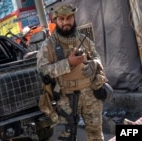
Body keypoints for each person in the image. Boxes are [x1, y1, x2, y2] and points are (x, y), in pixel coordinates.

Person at [37, 4, 108, 141]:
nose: (65, 22)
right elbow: (42, 70)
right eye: (61, 19)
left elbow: (97, 58)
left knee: (96, 135)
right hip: (66, 97)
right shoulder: (48, 46)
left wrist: (94, 64)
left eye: (69, 18)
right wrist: (68, 63)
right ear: (55, 21)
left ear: (74, 18)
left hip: (90, 94)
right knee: (69, 136)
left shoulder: (84, 40)